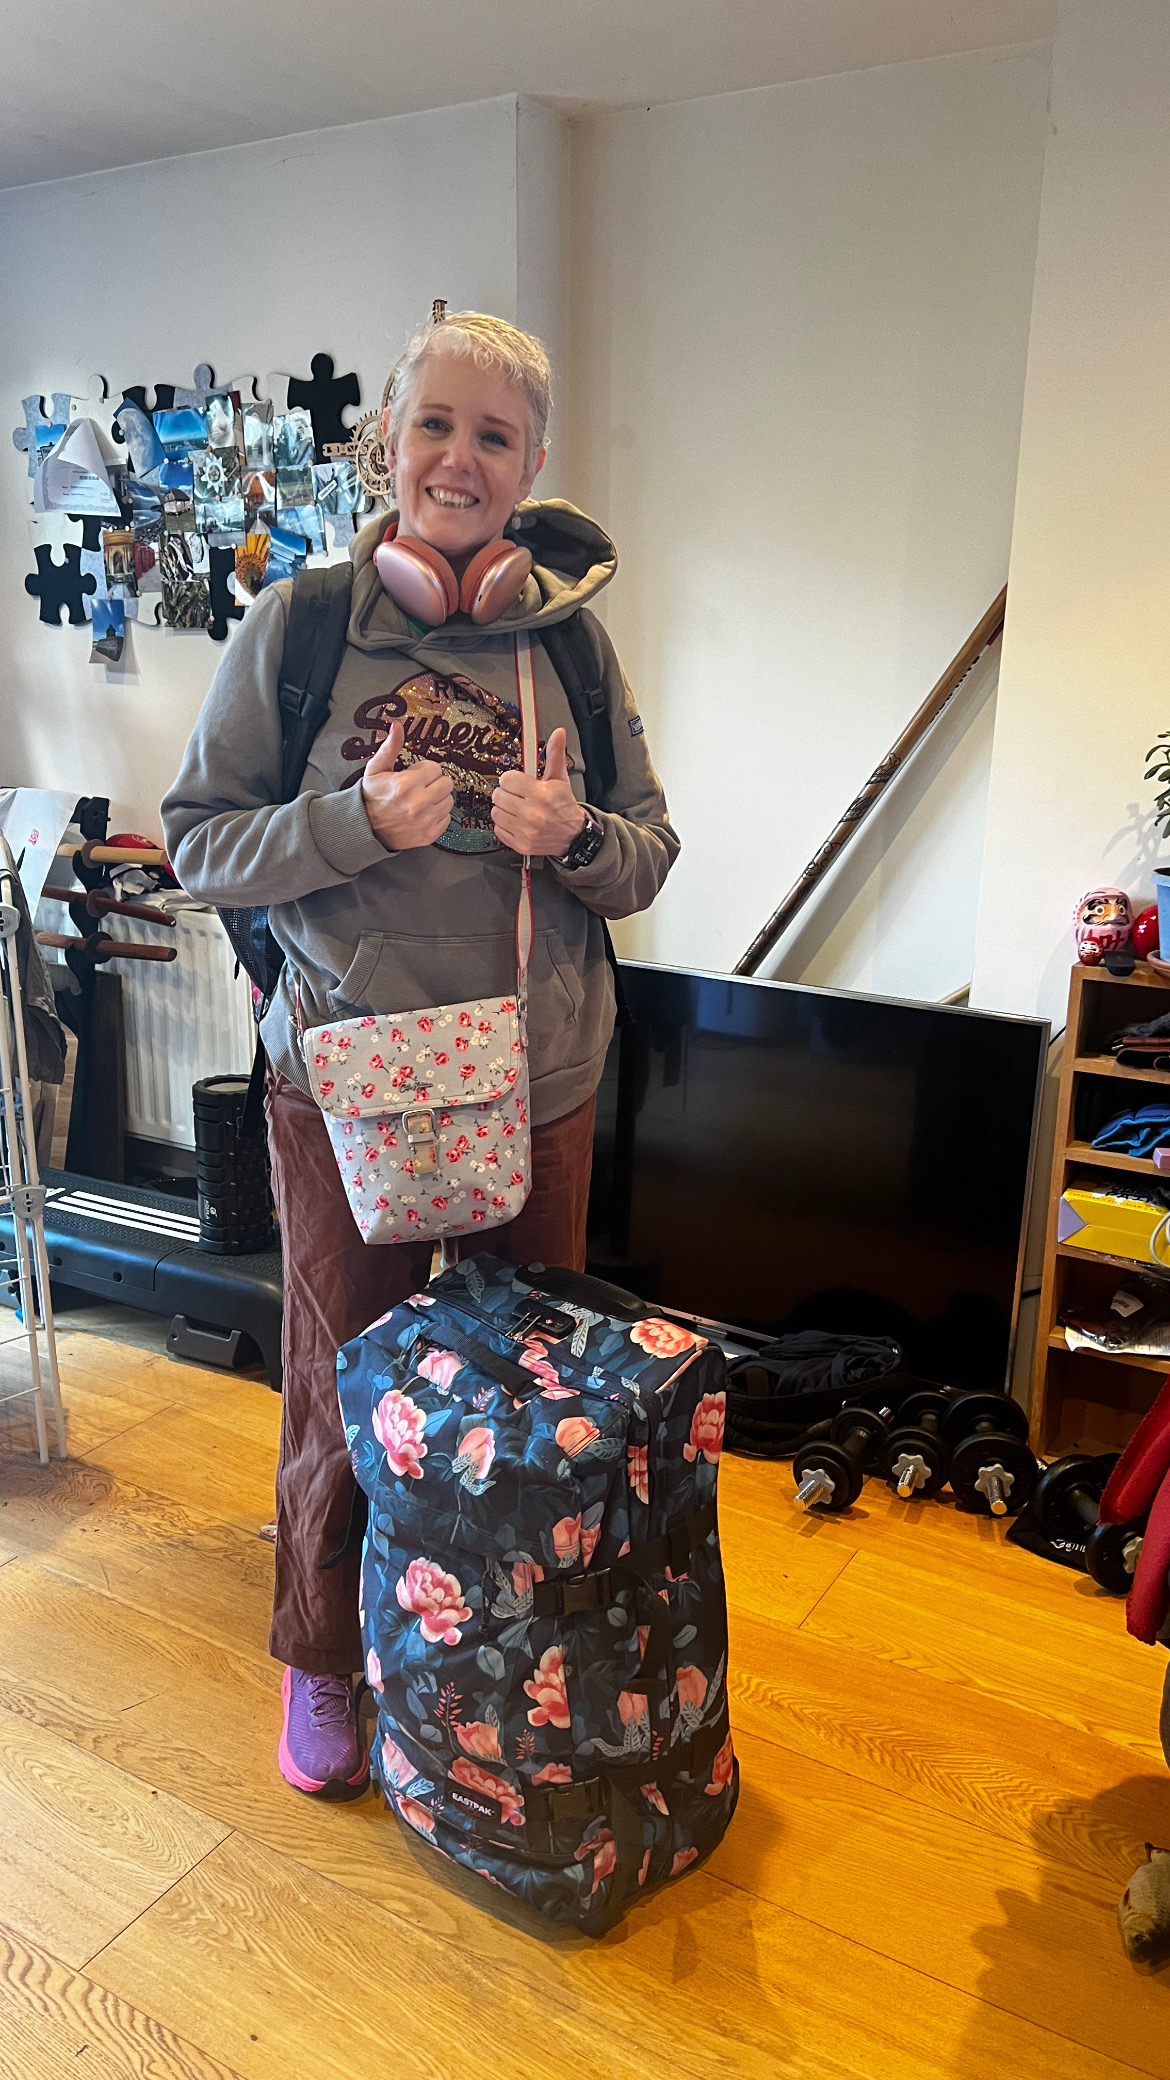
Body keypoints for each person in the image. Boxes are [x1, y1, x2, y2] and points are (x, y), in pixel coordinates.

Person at [162, 310, 678, 1800]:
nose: (461, 457)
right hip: (350, 1086)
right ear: (387, 438)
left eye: (495, 435)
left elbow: (647, 856)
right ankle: (324, 1657)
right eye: (435, 424)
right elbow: (199, 843)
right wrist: (347, 827)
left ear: (533, 463)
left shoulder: (569, 643)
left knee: (530, 1403)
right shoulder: (301, 628)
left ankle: (510, 1656)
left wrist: (571, 836)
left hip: (539, 1081)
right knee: (343, 1385)